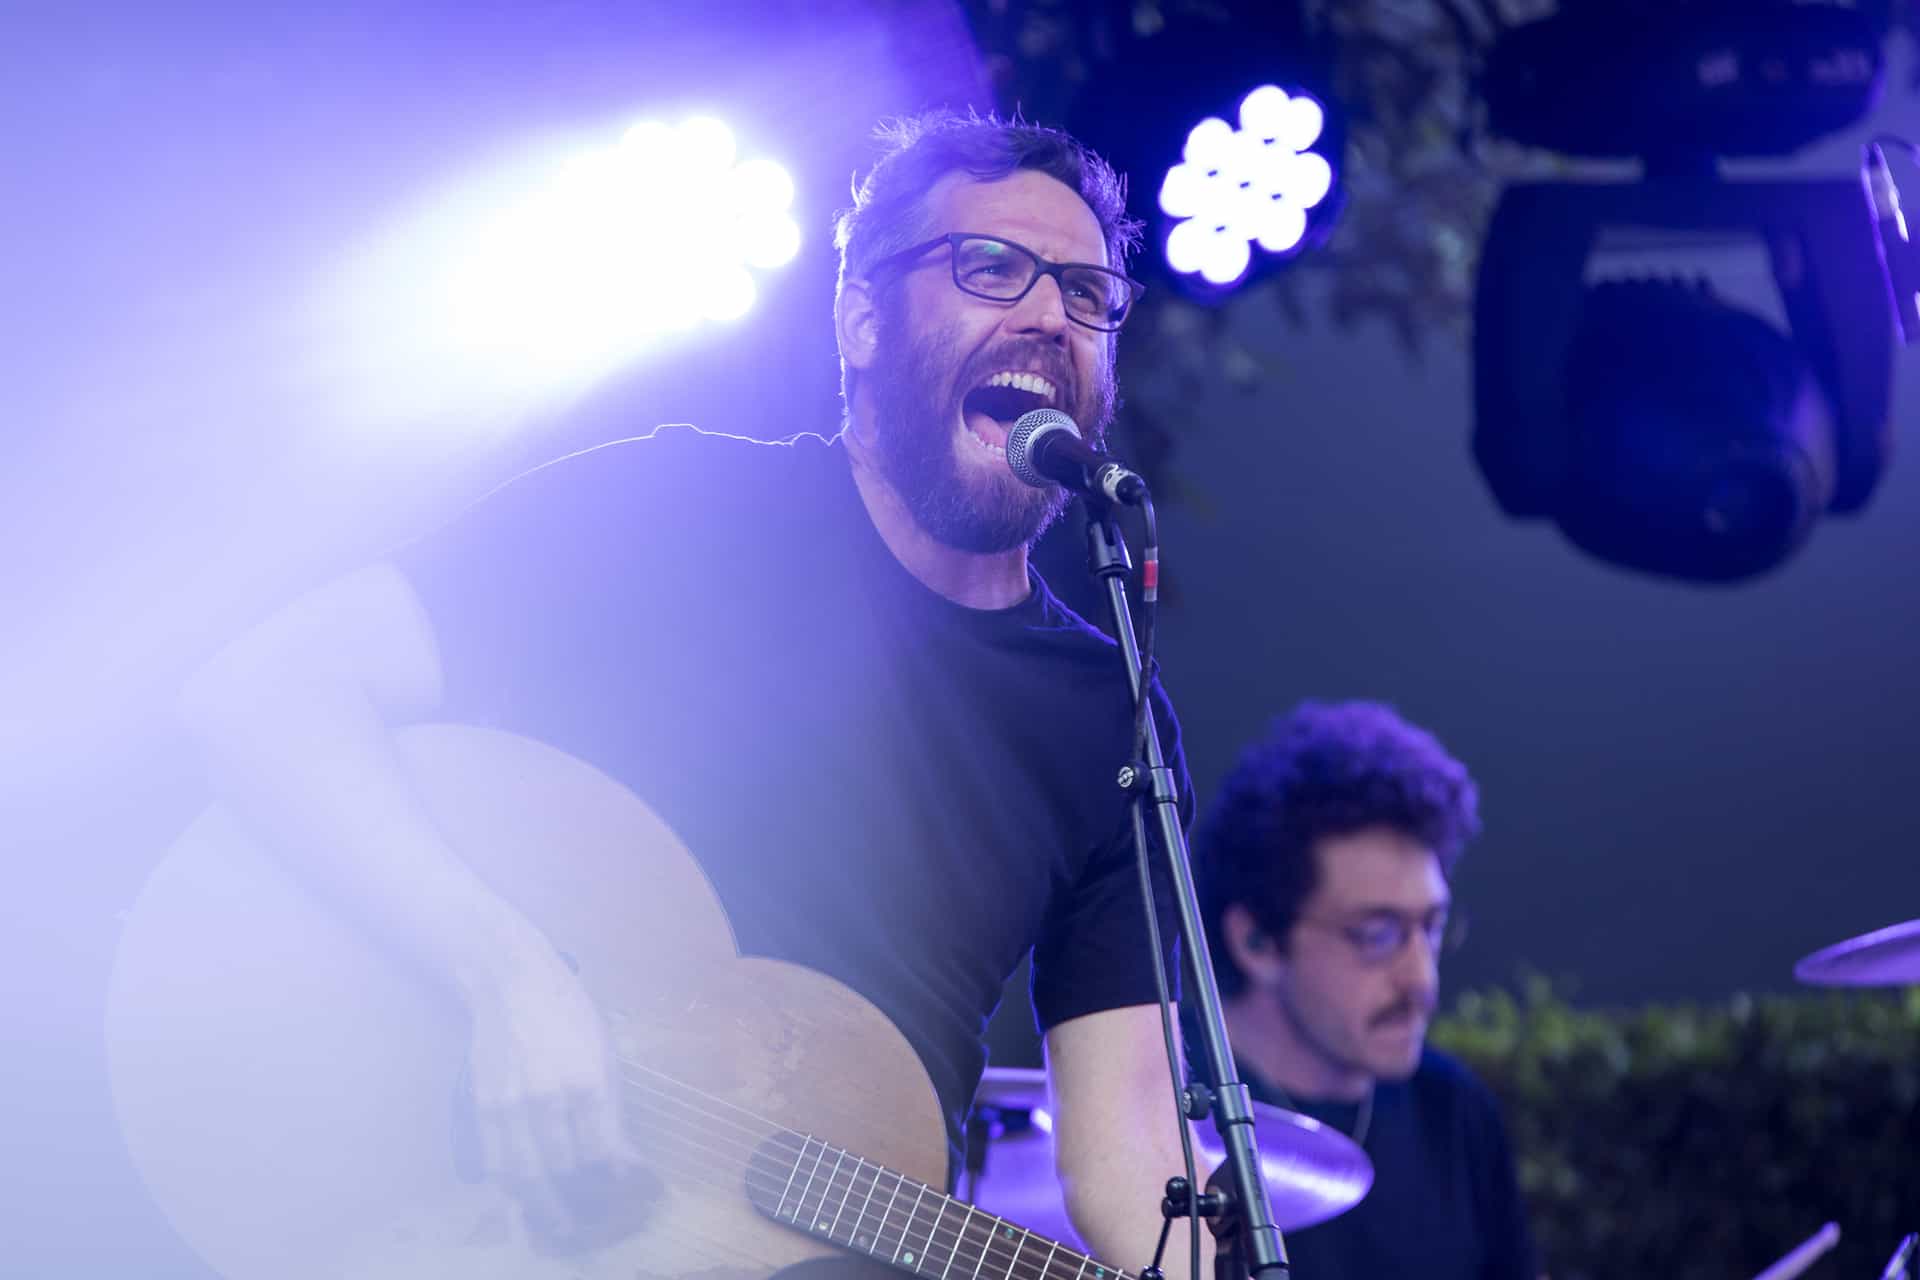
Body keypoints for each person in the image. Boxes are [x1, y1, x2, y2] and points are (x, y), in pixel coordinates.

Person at [179, 110, 1214, 1274]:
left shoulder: (1109, 713)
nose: (1048, 314)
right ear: (863, 318)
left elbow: (1137, 1143)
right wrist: (505, 977)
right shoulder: (683, 508)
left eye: (1087, 292)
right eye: (990, 267)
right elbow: (267, 690)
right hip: (481, 1218)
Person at [1192, 700, 1537, 1280]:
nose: (1421, 979)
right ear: (1256, 941)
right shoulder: (1153, 1109)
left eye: (1431, 927)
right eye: (1377, 935)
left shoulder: (1453, 1109)